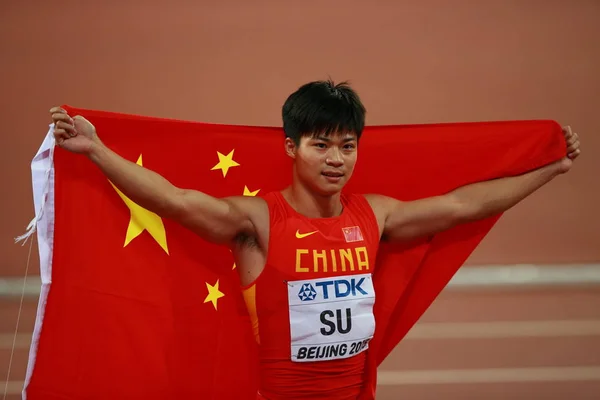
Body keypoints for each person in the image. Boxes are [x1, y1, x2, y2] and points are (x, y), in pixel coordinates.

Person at [50, 79, 581, 400]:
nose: (335, 159)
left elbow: (466, 205)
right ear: (290, 147)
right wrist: (97, 151)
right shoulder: (258, 221)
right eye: (320, 145)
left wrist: (550, 167)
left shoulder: (376, 215)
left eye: (347, 147)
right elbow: (175, 201)